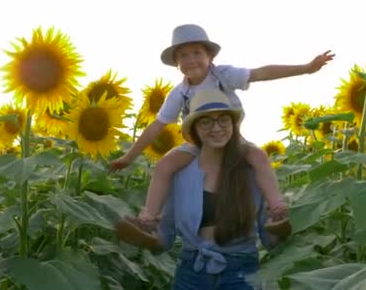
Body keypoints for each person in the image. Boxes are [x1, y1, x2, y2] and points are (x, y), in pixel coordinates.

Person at [111, 24, 334, 241]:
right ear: (177, 63)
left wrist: (305, 68)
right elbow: (157, 126)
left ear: (210, 56)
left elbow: (261, 73)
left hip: (232, 138)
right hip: (199, 143)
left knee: (257, 156)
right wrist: (129, 157)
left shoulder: (223, 76)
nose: (191, 60)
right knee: (165, 164)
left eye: (197, 53)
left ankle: (276, 210)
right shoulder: (180, 93)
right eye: (183, 56)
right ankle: (148, 220)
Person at [117, 89, 278, 289]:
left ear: (233, 125)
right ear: (195, 129)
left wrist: (280, 227)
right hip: (192, 269)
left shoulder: (253, 170)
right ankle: (145, 221)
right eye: (206, 122)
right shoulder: (181, 173)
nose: (216, 128)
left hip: (241, 270)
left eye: (223, 120)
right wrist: (148, 239)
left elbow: (269, 237)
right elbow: (165, 236)